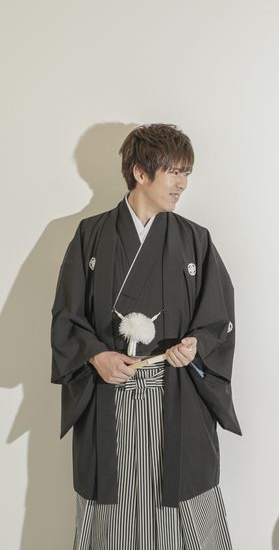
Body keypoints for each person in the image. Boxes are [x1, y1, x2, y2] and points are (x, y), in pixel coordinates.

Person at [51, 123, 241, 549]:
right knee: (112, 509)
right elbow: (66, 316)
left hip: (175, 394)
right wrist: (96, 355)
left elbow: (218, 318)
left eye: (186, 172)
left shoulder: (195, 240)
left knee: (183, 504)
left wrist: (195, 345)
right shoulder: (91, 235)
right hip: (108, 394)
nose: (182, 184)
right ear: (140, 172)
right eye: (174, 171)